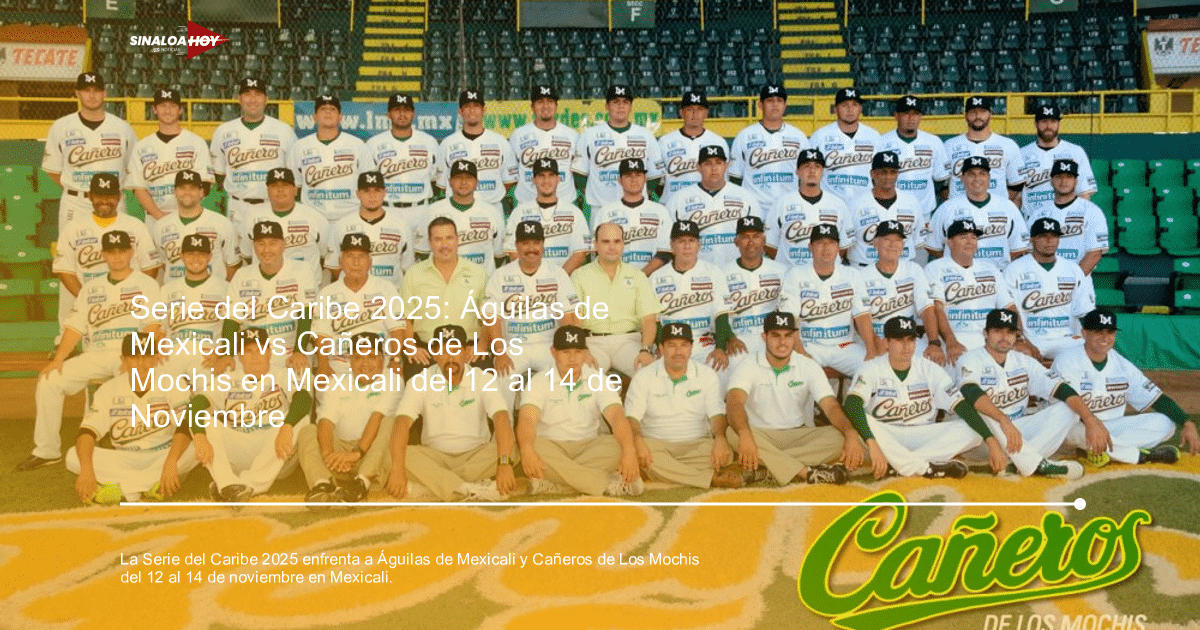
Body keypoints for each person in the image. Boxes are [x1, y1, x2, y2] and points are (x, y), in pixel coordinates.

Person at [18, 231, 164, 471]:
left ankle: (131, 443)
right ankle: (46, 450)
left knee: (134, 380)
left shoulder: (146, 284)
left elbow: (152, 326)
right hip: (96, 353)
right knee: (49, 380)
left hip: (129, 353)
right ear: (104, 254)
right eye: (111, 252)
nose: (117, 257)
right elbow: (75, 327)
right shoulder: (91, 288)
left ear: (131, 252)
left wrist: (137, 358)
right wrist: (58, 359)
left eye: (122, 251)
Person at [845, 316, 1007, 479]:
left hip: (923, 434)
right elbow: (852, 404)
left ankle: (901, 465)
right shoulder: (871, 368)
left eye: (910, 340)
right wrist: (872, 443)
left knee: (973, 431)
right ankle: (923, 466)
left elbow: (961, 406)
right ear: (886, 342)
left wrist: (991, 441)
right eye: (899, 340)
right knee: (864, 419)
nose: (906, 346)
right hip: (888, 434)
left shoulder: (929, 369)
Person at [954, 308, 1094, 479]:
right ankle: (1035, 463)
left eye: (1010, 332)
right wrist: (1003, 419)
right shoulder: (970, 359)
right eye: (998, 331)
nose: (1004, 337)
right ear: (985, 333)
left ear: (1016, 336)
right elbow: (970, 393)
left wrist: (1090, 419)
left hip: (1018, 432)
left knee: (1069, 409)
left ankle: (1019, 463)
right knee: (981, 409)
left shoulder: (1024, 362)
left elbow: (1062, 389)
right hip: (984, 437)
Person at [724, 312, 861, 485]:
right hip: (760, 435)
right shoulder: (749, 364)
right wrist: (744, 434)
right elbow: (734, 401)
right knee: (733, 434)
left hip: (799, 434)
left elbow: (831, 406)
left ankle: (769, 468)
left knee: (839, 437)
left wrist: (850, 433)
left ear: (794, 337)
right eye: (776, 336)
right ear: (764, 337)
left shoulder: (808, 365)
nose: (782, 342)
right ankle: (806, 472)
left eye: (788, 336)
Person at [385, 324, 516, 501]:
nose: (450, 357)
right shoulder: (419, 381)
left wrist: (504, 464)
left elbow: (501, 418)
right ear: (434, 354)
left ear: (465, 351)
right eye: (443, 351)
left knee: (511, 450)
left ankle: (437, 487)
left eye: (455, 349)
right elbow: (402, 423)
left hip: (475, 454)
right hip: (435, 456)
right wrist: (397, 470)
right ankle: (469, 489)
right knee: (397, 456)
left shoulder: (482, 378)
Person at [1052, 309, 1199, 465]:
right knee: (1073, 429)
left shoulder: (1121, 364)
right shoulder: (1067, 361)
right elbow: (1063, 409)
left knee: (1166, 424)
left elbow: (1156, 398)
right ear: (1084, 333)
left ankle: (1098, 450)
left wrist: (1187, 423)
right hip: (1077, 427)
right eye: (1098, 331)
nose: (1105, 337)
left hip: (1112, 428)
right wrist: (1091, 422)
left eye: (1110, 332)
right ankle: (1142, 456)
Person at [66, 332, 196, 503]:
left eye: (147, 357)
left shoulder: (173, 383)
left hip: (163, 455)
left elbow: (185, 426)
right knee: (72, 457)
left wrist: (171, 462)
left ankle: (123, 490)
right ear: (124, 360)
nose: (141, 364)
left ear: (157, 358)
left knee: (198, 445)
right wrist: (87, 470)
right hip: (124, 458)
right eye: (134, 357)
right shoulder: (108, 390)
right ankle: (147, 486)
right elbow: (86, 433)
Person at [517, 325, 643, 496]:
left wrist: (629, 451)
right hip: (552, 446)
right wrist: (527, 450)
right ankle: (603, 484)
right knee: (529, 446)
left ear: (585, 353)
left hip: (588, 446)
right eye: (565, 352)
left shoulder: (597, 379)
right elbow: (527, 420)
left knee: (621, 445)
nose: (572, 358)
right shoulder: (539, 381)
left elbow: (617, 417)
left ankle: (557, 483)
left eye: (577, 352)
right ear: (553, 352)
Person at [189, 327, 311, 501]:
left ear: (269, 352)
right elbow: (196, 404)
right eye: (248, 351)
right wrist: (200, 436)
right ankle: (229, 485)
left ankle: (241, 486)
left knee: (302, 421)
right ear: (239, 355)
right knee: (204, 420)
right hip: (240, 448)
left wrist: (287, 426)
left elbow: (304, 399)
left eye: (260, 350)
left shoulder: (282, 375)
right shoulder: (228, 380)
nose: (255, 356)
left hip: (276, 451)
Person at [625, 323, 736, 488]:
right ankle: (708, 478)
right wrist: (638, 440)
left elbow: (716, 414)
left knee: (726, 453)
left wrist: (720, 438)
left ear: (691, 348)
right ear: (661, 348)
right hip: (656, 444)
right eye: (672, 345)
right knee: (629, 450)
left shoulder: (706, 374)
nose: (678, 352)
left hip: (696, 444)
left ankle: (664, 472)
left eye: (684, 345)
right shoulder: (644, 376)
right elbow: (631, 418)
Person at [485, 220, 581, 406]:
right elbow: (491, 317)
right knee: (503, 377)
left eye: (536, 243)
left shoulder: (557, 273)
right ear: (517, 246)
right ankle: (505, 430)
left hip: (548, 344)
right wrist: (500, 353)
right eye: (525, 243)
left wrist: (566, 351)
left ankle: (556, 427)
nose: (531, 248)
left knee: (566, 373)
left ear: (543, 244)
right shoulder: (500, 275)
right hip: (513, 346)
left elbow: (568, 317)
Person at [53, 173, 161, 334]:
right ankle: (64, 341)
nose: (105, 201)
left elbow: (150, 267)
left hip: (128, 302)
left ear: (119, 196)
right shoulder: (73, 228)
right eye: (99, 196)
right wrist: (86, 297)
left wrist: (131, 294)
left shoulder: (135, 226)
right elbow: (63, 269)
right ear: (90, 196)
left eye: (110, 196)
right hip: (90, 300)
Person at [299, 332, 400, 503]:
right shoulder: (337, 382)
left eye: (372, 356)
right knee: (308, 430)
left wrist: (356, 454)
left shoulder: (393, 381)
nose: (365, 363)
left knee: (390, 423)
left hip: (371, 457)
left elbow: (376, 419)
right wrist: (328, 454)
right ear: (350, 361)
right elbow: (326, 422)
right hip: (339, 458)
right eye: (359, 357)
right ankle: (323, 485)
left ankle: (361, 484)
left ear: (382, 361)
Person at [780, 224, 877, 377]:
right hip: (809, 345)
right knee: (795, 374)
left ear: (838, 247)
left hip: (844, 346)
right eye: (820, 243)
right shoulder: (795, 274)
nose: (826, 248)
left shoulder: (852, 275)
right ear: (810, 247)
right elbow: (790, 318)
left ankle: (850, 401)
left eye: (831, 243)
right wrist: (800, 351)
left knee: (873, 370)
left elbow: (862, 316)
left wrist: (871, 351)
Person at [42, 72, 137, 227]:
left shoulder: (123, 128)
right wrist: (77, 187)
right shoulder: (61, 127)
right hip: (75, 203)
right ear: (77, 93)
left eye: (96, 90)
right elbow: (53, 170)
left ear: (105, 93)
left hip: (112, 202)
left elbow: (133, 168)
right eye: (86, 90)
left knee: (116, 249)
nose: (92, 95)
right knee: (72, 250)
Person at [571, 223, 662, 376]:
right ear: (595, 245)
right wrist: (582, 349)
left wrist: (646, 349)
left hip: (629, 341)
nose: (612, 247)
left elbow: (648, 319)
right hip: (592, 343)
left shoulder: (637, 276)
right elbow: (575, 319)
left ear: (623, 244)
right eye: (606, 242)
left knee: (650, 374)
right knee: (584, 374)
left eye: (617, 241)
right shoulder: (579, 276)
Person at [400, 217, 489, 372]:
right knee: (415, 387)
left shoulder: (477, 273)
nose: (444, 245)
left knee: (486, 384)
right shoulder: (414, 274)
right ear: (429, 242)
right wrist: (411, 348)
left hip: (468, 350)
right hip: (427, 351)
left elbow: (489, 316)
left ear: (457, 240)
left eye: (449, 238)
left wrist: (481, 345)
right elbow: (405, 318)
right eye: (438, 239)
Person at [228, 220, 319, 373]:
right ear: (254, 246)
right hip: (253, 349)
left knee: (299, 376)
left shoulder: (302, 269)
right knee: (226, 378)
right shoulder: (242, 275)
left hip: (289, 346)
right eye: (261, 243)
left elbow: (306, 313)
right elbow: (231, 320)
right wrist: (227, 353)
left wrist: (299, 351)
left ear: (283, 245)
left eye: (273, 243)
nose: (267, 250)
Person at [209, 77, 298, 233]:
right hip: (236, 208)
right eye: (247, 94)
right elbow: (219, 176)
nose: (252, 99)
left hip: (272, 206)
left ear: (266, 99)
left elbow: (294, 176)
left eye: (258, 94)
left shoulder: (284, 131)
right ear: (239, 99)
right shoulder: (223, 131)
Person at [310, 234, 406, 376]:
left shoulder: (386, 288)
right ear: (340, 262)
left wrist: (396, 360)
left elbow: (396, 329)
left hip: (380, 365)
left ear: (370, 262)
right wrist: (323, 365)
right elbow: (321, 334)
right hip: (340, 365)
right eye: (350, 256)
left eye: (361, 256)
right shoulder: (327, 293)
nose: (356, 262)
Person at [1003, 217, 1096, 362]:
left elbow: (1085, 311)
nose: (1049, 241)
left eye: (1054, 236)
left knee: (1094, 349)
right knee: (1013, 354)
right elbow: (1009, 309)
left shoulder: (1072, 269)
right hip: (1030, 338)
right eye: (1043, 236)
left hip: (1065, 339)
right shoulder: (1014, 269)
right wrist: (1021, 340)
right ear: (1032, 239)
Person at [926, 219, 1019, 362]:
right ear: (949, 242)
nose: (970, 241)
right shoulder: (935, 268)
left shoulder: (990, 269)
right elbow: (936, 309)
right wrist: (950, 341)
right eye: (963, 237)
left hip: (989, 337)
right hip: (954, 335)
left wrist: (1019, 338)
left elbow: (1009, 307)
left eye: (974, 238)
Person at [126, 87, 215, 233]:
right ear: (154, 109)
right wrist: (159, 215)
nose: (167, 110)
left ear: (180, 110)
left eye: (172, 106)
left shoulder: (196, 142)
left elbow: (205, 183)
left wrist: (186, 213)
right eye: (162, 106)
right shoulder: (142, 147)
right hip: (155, 218)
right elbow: (139, 188)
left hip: (190, 216)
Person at [651, 220, 733, 373]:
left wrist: (720, 348)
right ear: (671, 246)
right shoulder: (656, 277)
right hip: (670, 344)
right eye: (681, 241)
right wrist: (661, 346)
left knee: (719, 368)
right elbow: (653, 321)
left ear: (699, 245)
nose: (687, 246)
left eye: (691, 241)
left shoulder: (713, 273)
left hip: (703, 342)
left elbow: (721, 315)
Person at [858, 220, 943, 363]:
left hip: (908, 338)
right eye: (887, 240)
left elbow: (927, 309)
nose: (892, 245)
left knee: (931, 361)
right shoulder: (862, 276)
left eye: (897, 240)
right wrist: (874, 342)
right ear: (875, 243)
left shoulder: (914, 270)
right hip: (877, 338)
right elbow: (860, 317)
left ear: (903, 245)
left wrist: (934, 342)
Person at [926, 156, 1029, 271]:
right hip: (959, 276)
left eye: (982, 173)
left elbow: (1019, 247)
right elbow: (933, 246)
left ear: (989, 177)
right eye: (971, 174)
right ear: (962, 178)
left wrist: (998, 265)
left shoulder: (1008, 207)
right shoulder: (947, 208)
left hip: (998, 275)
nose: (977, 178)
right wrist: (955, 262)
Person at [573, 84, 666, 213]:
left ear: (631, 107)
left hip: (636, 207)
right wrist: (590, 194)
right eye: (615, 102)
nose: (621, 106)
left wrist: (643, 193)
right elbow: (579, 172)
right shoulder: (590, 134)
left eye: (625, 102)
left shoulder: (645, 135)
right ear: (607, 106)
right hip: (601, 207)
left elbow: (655, 174)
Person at [287, 94, 373, 225]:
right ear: (314, 117)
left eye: (333, 109)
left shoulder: (357, 145)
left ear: (340, 117)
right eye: (322, 109)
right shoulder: (300, 146)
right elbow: (294, 186)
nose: (328, 112)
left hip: (350, 216)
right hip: (312, 218)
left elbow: (369, 183)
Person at [666, 145, 756, 265]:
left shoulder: (745, 196)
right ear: (698, 167)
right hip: (698, 273)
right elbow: (668, 242)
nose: (714, 168)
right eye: (708, 164)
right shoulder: (679, 199)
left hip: (736, 269)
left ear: (726, 165)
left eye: (718, 163)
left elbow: (758, 239)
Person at [240, 167, 330, 286]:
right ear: (267, 191)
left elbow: (324, 257)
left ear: (295, 190)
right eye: (274, 186)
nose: (280, 190)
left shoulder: (315, 218)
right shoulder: (251, 216)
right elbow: (247, 256)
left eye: (285, 185)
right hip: (265, 288)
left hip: (306, 288)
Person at [729, 83, 808, 217]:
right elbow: (735, 178)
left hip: (790, 208)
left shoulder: (799, 137)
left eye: (779, 100)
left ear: (785, 105)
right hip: (754, 208)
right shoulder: (744, 136)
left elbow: (806, 177)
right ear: (760, 105)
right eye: (770, 100)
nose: (775, 105)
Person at [157, 234, 231, 377]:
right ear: (182, 256)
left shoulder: (225, 287)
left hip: (207, 354)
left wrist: (221, 351)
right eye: (190, 254)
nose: (196, 259)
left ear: (209, 256)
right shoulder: (167, 289)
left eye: (201, 254)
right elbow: (161, 328)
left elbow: (234, 327)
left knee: (209, 391)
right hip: (173, 353)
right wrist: (158, 348)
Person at [415, 160, 505, 273]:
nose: (463, 182)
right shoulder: (433, 211)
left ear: (477, 182)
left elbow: (499, 255)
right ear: (450, 182)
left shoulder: (491, 212)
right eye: (458, 177)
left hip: (482, 282)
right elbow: (422, 253)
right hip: (445, 281)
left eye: (468, 178)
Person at [326, 171, 415, 284]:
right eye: (366, 191)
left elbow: (408, 267)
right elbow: (334, 266)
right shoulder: (342, 225)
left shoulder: (400, 225)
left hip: (391, 293)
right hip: (354, 295)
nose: (372, 196)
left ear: (384, 193)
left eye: (377, 191)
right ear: (358, 194)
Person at [767, 149, 851, 268]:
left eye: (817, 166)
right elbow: (770, 245)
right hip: (791, 275)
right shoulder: (782, 203)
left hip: (828, 276)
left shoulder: (838, 204)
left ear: (823, 171)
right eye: (806, 166)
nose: (812, 171)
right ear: (797, 171)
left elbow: (844, 248)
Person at [503, 158, 590, 273]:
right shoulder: (519, 213)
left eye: (551, 175)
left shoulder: (574, 212)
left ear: (558, 179)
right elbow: (513, 252)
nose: (546, 181)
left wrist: (559, 277)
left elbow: (580, 253)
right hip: (530, 280)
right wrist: (535, 275)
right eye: (541, 176)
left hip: (566, 280)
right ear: (533, 180)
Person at [152, 169, 239, 282]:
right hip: (175, 293)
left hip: (212, 294)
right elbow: (164, 263)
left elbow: (233, 264)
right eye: (182, 188)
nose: (187, 192)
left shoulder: (222, 223)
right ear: (175, 191)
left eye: (192, 188)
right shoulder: (161, 226)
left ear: (201, 192)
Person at [1024, 159, 1109, 275]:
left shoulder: (1092, 211)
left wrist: (1072, 282)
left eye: (1069, 176)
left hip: (1078, 282)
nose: (1064, 181)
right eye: (1059, 176)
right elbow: (1029, 250)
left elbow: (1094, 253)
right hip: (1045, 281)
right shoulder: (1039, 213)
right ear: (1051, 181)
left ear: (1076, 181)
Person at [589, 158, 672, 274]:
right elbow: (599, 251)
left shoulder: (660, 211)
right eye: (628, 176)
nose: (634, 180)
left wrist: (641, 276)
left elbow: (666, 252)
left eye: (638, 175)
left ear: (645, 178)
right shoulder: (605, 212)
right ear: (620, 180)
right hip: (616, 278)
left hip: (652, 279)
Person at [843, 151, 927, 267]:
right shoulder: (855, 204)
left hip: (902, 269)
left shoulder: (911, 202)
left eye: (893, 172)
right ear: (872, 174)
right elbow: (844, 245)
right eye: (883, 172)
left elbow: (918, 240)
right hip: (863, 269)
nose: (888, 177)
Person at [438, 90, 519, 209]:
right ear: (460, 111)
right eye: (467, 106)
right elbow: (442, 183)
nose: (472, 111)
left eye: (476, 106)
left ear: (483, 109)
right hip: (457, 208)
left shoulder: (500, 142)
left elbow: (509, 180)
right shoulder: (447, 144)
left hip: (491, 206)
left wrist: (490, 195)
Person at [722, 216, 787, 363]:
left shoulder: (781, 271)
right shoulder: (722, 273)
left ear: (764, 240)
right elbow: (719, 315)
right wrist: (730, 337)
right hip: (738, 338)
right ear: (736, 242)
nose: (750, 242)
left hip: (772, 337)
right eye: (745, 237)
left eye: (756, 236)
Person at [365, 93, 439, 215]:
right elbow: (368, 180)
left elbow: (436, 177)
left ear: (413, 114)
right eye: (396, 110)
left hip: (421, 209)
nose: (402, 114)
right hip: (387, 209)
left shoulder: (429, 142)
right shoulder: (373, 144)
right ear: (388, 114)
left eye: (407, 110)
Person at [877, 95, 950, 217]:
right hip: (892, 210)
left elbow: (942, 178)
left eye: (915, 114)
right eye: (906, 113)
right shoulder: (882, 142)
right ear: (896, 115)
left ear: (920, 116)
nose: (911, 118)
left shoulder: (933, 141)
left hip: (925, 212)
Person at [943, 95, 1025, 204]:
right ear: (966, 116)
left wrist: (995, 203)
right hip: (959, 210)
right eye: (973, 112)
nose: (978, 116)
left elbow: (1017, 184)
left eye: (982, 111)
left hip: (995, 212)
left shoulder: (1008, 145)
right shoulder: (949, 145)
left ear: (990, 114)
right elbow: (942, 185)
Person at [1019, 104, 1097, 217]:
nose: (1048, 126)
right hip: (1032, 221)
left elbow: (1084, 193)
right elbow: (1015, 194)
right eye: (1044, 121)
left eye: (1053, 121)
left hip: (1064, 220)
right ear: (1036, 124)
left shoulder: (1075, 152)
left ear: (1059, 124)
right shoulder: (1022, 154)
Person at [509, 84, 579, 206]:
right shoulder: (518, 135)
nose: (546, 106)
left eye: (550, 101)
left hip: (564, 202)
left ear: (556, 106)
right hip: (527, 203)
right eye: (540, 102)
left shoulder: (572, 135)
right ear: (532, 107)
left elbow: (578, 171)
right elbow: (511, 171)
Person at [808, 87, 881, 202]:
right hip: (830, 203)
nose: (850, 109)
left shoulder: (873, 136)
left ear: (860, 108)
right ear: (835, 109)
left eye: (855, 105)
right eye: (844, 105)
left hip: (865, 202)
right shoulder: (820, 136)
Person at [658, 90, 729, 205]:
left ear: (706, 113)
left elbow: (723, 181)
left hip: (705, 206)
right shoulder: (665, 141)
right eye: (690, 109)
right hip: (672, 204)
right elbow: (658, 182)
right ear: (681, 112)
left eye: (700, 109)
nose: (695, 114)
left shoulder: (718, 142)